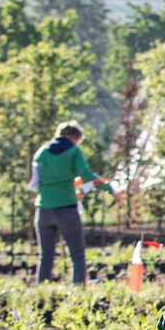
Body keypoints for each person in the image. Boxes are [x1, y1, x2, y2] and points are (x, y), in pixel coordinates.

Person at [28, 121, 107, 285]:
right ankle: (78, 291)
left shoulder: (41, 153)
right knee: (77, 255)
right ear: (74, 137)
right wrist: (109, 187)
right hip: (66, 209)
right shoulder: (73, 151)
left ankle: (42, 291)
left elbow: (35, 180)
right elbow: (86, 175)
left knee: (45, 255)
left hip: (43, 209)